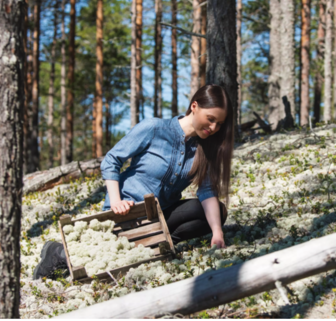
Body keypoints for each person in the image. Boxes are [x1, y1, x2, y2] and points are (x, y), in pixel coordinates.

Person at [33, 85, 234, 279]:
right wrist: (115, 201)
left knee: (217, 211)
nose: (214, 127)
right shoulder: (154, 128)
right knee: (101, 254)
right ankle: (57, 252)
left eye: (219, 124)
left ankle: (151, 245)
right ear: (194, 106)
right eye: (210, 119)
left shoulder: (204, 150)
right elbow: (112, 160)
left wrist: (217, 233)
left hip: (160, 218)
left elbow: (206, 190)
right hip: (125, 211)